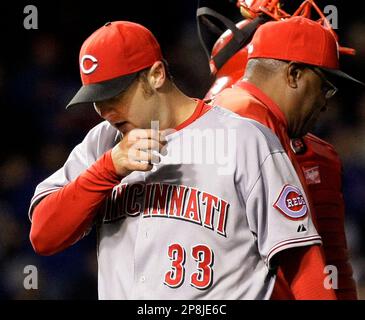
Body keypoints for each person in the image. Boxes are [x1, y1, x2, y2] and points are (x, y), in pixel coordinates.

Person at [29, 20, 335, 299]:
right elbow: (44, 236)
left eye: (115, 94)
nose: (106, 111)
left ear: (156, 74)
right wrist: (107, 169)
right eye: (97, 100)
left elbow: (304, 264)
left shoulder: (243, 139)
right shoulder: (102, 144)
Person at [208, 15, 363, 299]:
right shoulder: (253, 122)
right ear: (293, 75)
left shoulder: (221, 111)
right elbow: (304, 261)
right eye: (323, 87)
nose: (325, 103)